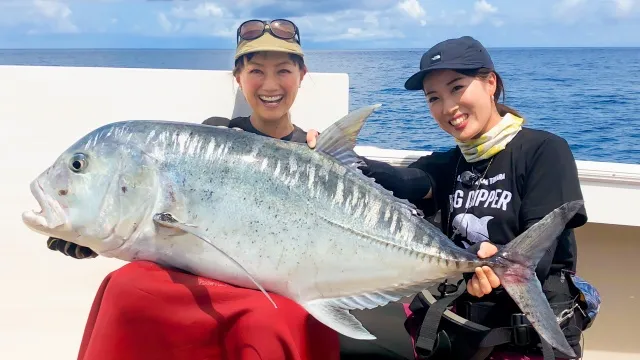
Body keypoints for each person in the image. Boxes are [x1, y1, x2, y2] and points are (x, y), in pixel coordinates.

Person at [50, 19, 342, 360]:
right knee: (123, 289)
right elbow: (169, 217)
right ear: (239, 78)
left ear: (301, 76)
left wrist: (329, 162)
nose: (270, 84)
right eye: (256, 71)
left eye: (283, 71)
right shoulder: (210, 139)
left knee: (268, 322)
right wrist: (92, 235)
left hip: (276, 284)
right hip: (208, 281)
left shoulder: (313, 154)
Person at [307, 36, 592, 360]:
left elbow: (538, 259)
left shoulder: (543, 151)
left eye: (457, 88)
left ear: (490, 83)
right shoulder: (445, 164)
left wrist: (496, 265)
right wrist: (335, 159)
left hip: (524, 340)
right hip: (458, 333)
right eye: (434, 98)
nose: (448, 107)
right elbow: (405, 181)